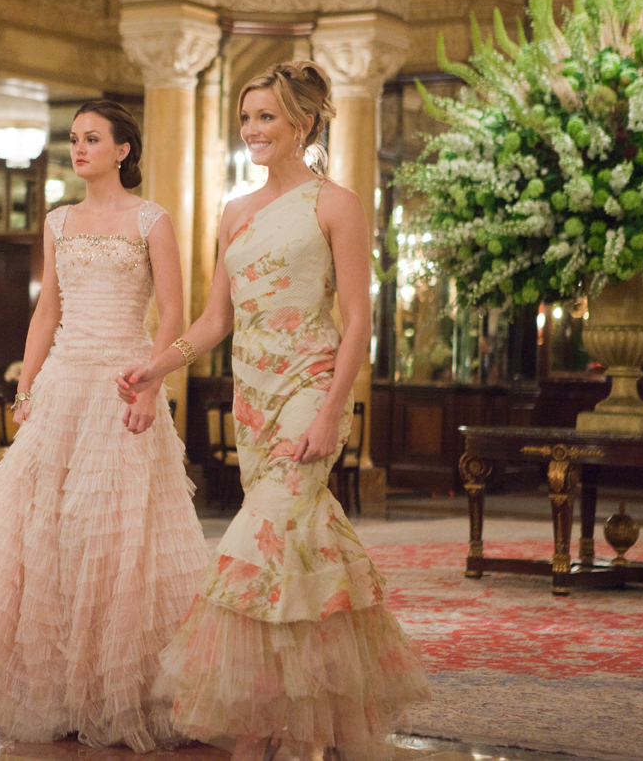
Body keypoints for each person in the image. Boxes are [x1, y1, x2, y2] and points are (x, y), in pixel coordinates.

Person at [118, 61, 429, 761]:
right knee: (299, 545)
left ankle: (258, 727)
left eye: (266, 117)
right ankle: (318, 712)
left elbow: (358, 322)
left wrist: (331, 410)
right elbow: (213, 320)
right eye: (246, 118)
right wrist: (156, 366)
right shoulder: (234, 211)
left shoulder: (336, 204)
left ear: (303, 124)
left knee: (260, 538)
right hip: (252, 396)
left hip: (312, 387)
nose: (252, 130)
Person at [0, 100, 210, 751]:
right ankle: (53, 691)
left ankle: (117, 690)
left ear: (123, 149)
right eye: (74, 138)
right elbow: (46, 313)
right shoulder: (58, 220)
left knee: (113, 534)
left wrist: (152, 384)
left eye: (92, 138)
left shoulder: (151, 219)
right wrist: (25, 386)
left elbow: (173, 314)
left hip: (123, 383)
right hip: (62, 385)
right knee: (44, 532)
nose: (79, 148)